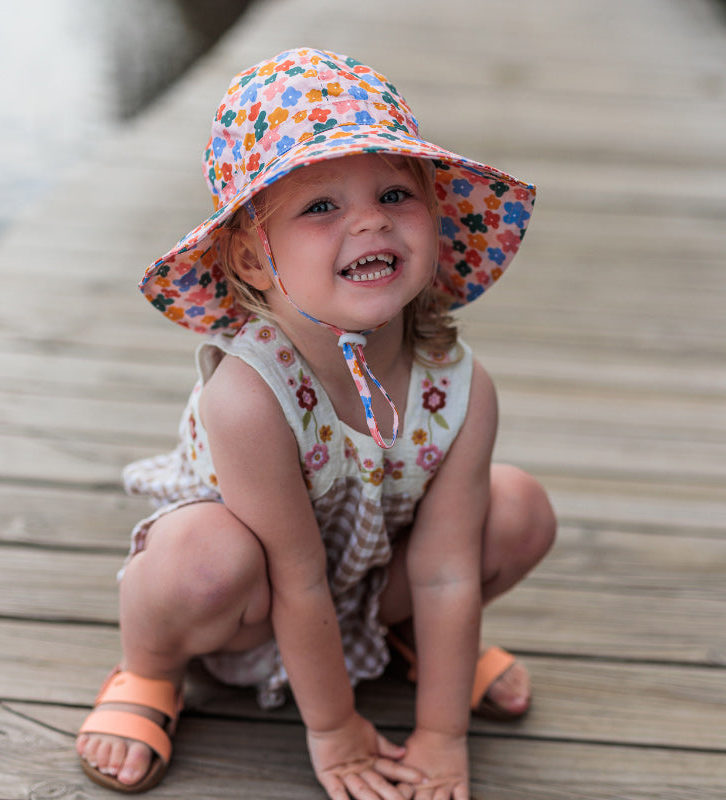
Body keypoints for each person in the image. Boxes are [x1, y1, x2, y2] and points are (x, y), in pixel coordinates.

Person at [76, 47, 556, 800]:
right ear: (252, 260)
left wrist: (442, 736)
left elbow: (447, 568)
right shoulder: (250, 396)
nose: (370, 220)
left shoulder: (460, 389)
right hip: (249, 604)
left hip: (367, 588)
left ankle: (407, 640)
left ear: (435, 219)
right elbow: (295, 577)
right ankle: (150, 671)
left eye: (395, 193)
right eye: (320, 207)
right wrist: (334, 731)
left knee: (520, 507)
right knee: (201, 556)